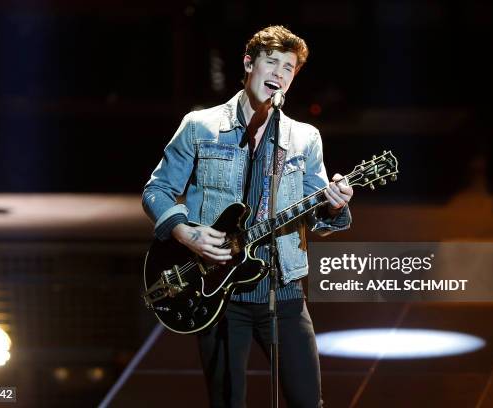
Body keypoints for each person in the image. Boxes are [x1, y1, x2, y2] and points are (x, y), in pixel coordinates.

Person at [143, 25, 353, 408]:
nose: (278, 74)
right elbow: (156, 190)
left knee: (308, 401)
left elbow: (318, 218)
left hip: (282, 290)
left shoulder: (304, 137)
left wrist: (335, 204)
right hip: (218, 293)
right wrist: (183, 232)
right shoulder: (200, 127)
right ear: (248, 63)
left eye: (288, 68)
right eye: (271, 63)